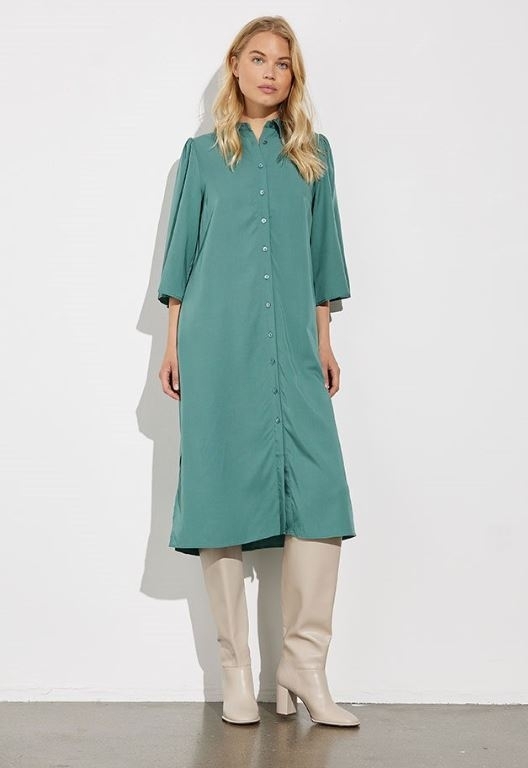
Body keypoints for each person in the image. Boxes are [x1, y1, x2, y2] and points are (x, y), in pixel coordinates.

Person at [157, 15, 359, 728]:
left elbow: (323, 255)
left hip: (294, 349)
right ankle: (236, 672)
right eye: (258, 58)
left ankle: (304, 666)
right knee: (218, 496)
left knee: (321, 498)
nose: (270, 72)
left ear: (292, 76)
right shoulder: (203, 155)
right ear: (236, 67)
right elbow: (181, 256)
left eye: (283, 62)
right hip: (215, 344)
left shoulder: (315, 155)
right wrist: (172, 344)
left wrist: (323, 339)